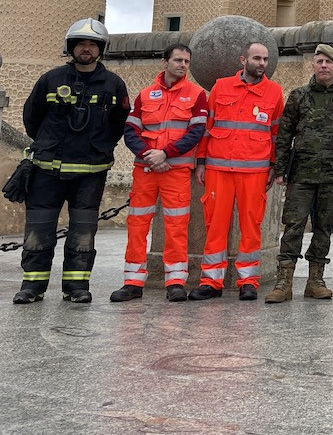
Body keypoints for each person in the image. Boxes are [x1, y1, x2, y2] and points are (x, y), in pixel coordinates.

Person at [14, 19, 130, 305]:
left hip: (90, 174)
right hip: (47, 170)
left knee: (82, 233)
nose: (86, 49)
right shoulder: (51, 80)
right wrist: (48, 145)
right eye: (81, 44)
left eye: (92, 44)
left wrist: (98, 148)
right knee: (38, 231)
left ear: (100, 49)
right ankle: (32, 287)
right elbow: (32, 118)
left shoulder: (114, 85)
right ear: (71, 48)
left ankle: (77, 287)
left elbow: (119, 124)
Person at [264, 44, 333, 304]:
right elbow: (285, 135)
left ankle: (315, 279)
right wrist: (281, 169)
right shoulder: (299, 96)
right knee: (293, 225)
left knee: (324, 226)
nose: (324, 66)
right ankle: (284, 281)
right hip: (302, 174)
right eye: (319, 61)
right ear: (313, 65)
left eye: (329, 62)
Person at [112, 43, 208, 303]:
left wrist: (166, 154)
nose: (183, 65)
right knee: (137, 225)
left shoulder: (197, 94)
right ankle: (132, 282)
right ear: (164, 63)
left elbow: (196, 132)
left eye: (187, 61)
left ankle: (175, 282)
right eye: (178, 60)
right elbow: (130, 131)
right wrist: (149, 156)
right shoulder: (145, 94)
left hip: (175, 170)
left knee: (176, 226)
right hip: (146, 169)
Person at [190, 41, 285, 302]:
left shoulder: (274, 92)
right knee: (215, 225)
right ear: (243, 60)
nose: (262, 63)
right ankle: (211, 281)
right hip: (218, 168)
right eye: (257, 58)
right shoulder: (221, 86)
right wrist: (201, 161)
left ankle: (248, 281)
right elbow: (207, 127)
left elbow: (276, 134)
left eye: (265, 59)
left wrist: (273, 166)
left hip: (254, 172)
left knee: (251, 226)